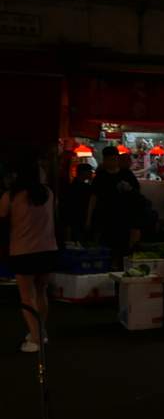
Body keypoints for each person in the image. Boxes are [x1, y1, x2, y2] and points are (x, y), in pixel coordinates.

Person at [1, 151, 59, 353]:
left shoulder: (11, 196)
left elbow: (2, 218)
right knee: (42, 292)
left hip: (23, 251)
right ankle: (40, 331)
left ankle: (35, 339)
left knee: (27, 297)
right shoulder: (48, 194)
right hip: (48, 250)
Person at [87, 146, 141, 266]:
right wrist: (89, 218)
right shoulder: (100, 176)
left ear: (117, 159)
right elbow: (93, 198)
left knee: (122, 248)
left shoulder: (127, 174)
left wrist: (129, 188)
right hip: (104, 218)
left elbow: (137, 196)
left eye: (112, 159)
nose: (110, 162)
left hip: (123, 218)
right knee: (105, 249)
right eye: (107, 159)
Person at [63, 162, 94, 244]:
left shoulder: (71, 187)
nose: (92, 173)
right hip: (80, 219)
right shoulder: (86, 188)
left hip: (74, 219)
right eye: (90, 171)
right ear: (84, 173)